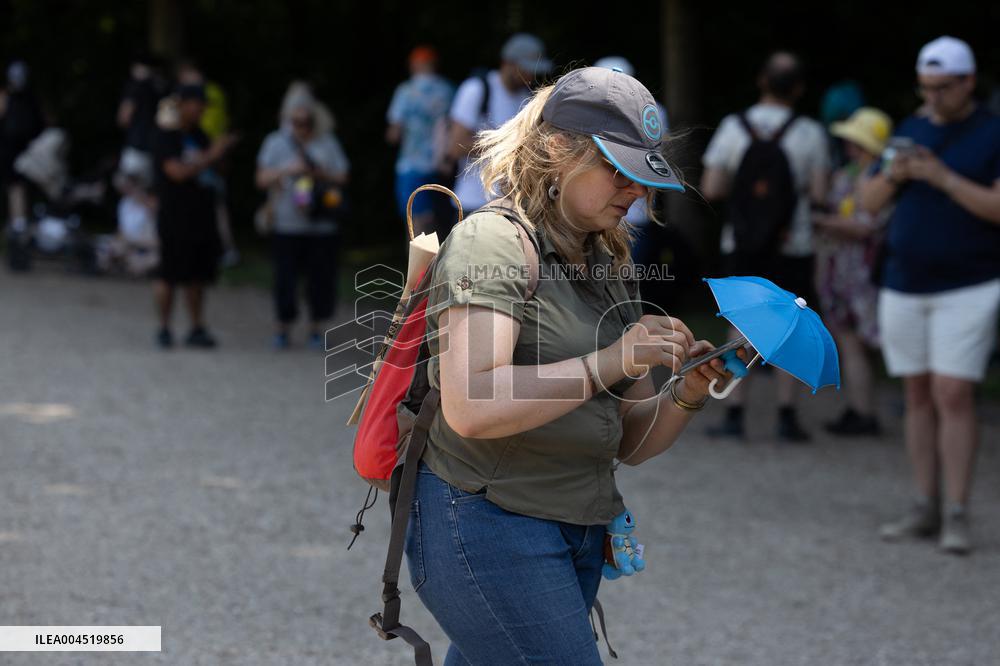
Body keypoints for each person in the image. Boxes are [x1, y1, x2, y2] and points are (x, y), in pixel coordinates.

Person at [404, 67, 742, 664]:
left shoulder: (611, 260)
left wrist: (686, 389)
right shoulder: (494, 242)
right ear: (559, 149)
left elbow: (629, 442)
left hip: (574, 529)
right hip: (485, 522)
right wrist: (611, 360)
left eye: (643, 175)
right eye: (618, 169)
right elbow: (471, 408)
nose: (636, 189)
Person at [860, 36, 1000, 554]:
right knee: (916, 394)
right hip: (904, 281)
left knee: (953, 393)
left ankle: (958, 511)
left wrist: (942, 177)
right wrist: (893, 176)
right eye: (926, 88)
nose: (933, 98)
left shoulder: (991, 131)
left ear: (968, 81)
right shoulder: (911, 129)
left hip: (970, 283)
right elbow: (867, 203)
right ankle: (925, 504)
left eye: (944, 88)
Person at [700, 51, 830, 443]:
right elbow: (821, 193)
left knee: (740, 324)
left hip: (741, 243)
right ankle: (787, 416)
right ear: (800, 89)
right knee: (792, 325)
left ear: (761, 81)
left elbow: (712, 188)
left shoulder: (733, 127)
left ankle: (733, 411)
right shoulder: (810, 133)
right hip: (793, 243)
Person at [814, 107, 893, 436]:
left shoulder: (881, 178)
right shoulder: (854, 173)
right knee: (855, 342)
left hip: (863, 275)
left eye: (854, 141)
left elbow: (866, 226)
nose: (848, 146)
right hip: (846, 271)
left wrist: (821, 222)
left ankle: (863, 412)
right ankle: (862, 407)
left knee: (856, 341)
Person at [256, 82, 350, 350]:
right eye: (296, 121)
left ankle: (316, 329)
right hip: (287, 223)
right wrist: (288, 170)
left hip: (321, 224)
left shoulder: (327, 142)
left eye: (306, 122)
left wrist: (317, 173)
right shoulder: (275, 142)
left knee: (321, 279)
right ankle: (282, 328)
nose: (301, 127)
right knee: (284, 278)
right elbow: (261, 179)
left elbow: (343, 176)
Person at [152, 84, 238, 349]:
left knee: (198, 275)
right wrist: (211, 156)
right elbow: (175, 172)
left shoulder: (201, 136)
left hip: (201, 214)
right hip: (174, 215)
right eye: (196, 104)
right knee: (168, 274)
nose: (200, 109)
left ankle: (196, 326)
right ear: (183, 104)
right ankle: (164, 328)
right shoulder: (167, 136)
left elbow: (218, 170)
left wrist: (221, 153)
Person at [446, 33, 551, 217]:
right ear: (507, 63)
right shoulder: (476, 89)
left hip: (510, 204)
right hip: (473, 203)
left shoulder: (526, 97)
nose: (530, 76)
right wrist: (509, 142)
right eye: (525, 69)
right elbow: (456, 146)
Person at [386, 45, 454, 238]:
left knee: (415, 223)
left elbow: (394, 133)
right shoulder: (447, 90)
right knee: (441, 223)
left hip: (411, 166)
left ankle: (417, 267)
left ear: (414, 65)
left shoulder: (406, 91)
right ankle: (442, 266)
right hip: (440, 165)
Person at [0, 61, 45, 233]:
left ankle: (20, 223)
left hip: (20, 148)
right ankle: (20, 223)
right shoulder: (28, 96)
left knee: (16, 186)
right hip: (18, 148)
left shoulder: (26, 97)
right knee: (18, 185)